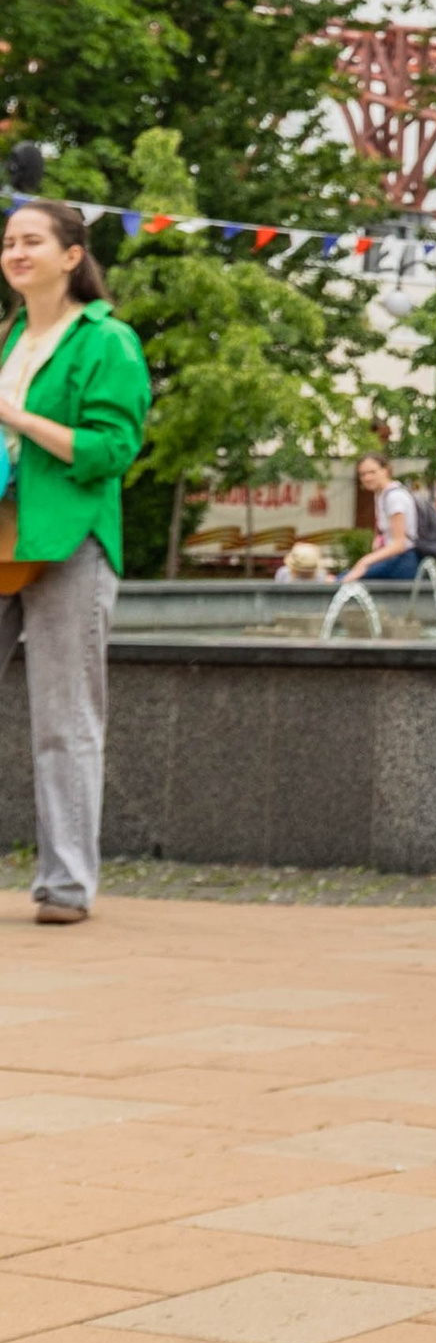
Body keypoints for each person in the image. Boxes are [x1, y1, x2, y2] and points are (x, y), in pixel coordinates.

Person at [0, 201, 153, 925]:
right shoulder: (7, 337)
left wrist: (21, 418)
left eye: (32, 240)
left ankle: (64, 887)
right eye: (8, 242)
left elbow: (111, 450)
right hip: (0, 538)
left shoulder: (108, 339)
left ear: (71, 255)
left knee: (65, 720)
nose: (16, 251)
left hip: (69, 542)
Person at [338, 451, 421, 584]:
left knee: (343, 581)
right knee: (345, 579)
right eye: (363, 474)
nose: (367, 478)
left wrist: (364, 562)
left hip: (401, 562)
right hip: (392, 560)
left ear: (386, 470)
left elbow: (399, 544)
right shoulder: (381, 494)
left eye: (372, 472)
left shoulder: (395, 497)